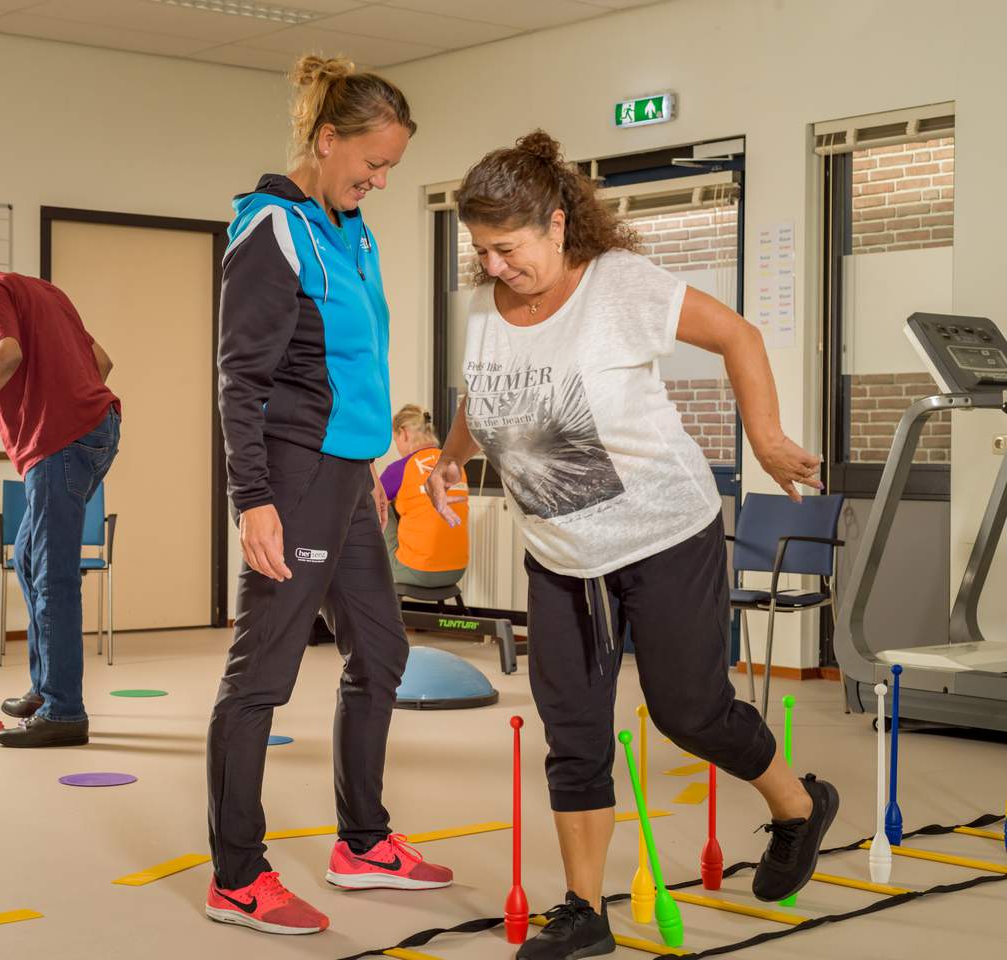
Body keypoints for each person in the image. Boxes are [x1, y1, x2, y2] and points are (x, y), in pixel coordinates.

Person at [425, 132, 838, 960]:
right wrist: (451, 455)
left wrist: (762, 435)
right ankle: (584, 910)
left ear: (554, 224)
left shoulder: (619, 285)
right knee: (571, 731)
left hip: (662, 533)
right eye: (481, 251)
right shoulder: (486, 304)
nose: (496, 266)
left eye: (508, 248)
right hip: (561, 553)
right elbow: (488, 394)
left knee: (690, 712)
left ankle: (798, 805)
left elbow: (740, 337)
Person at [208, 55, 452, 937]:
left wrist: (374, 476)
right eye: (370, 163)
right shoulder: (270, 230)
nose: (380, 180)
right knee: (261, 676)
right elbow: (240, 377)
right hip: (294, 472)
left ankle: (363, 844)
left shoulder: (351, 230)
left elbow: (358, 361)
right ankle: (237, 875)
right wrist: (254, 498)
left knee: (380, 653)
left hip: (348, 478)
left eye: (391, 166)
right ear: (326, 139)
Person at [0, 249, 120, 749]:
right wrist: (71, 400)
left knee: (52, 571)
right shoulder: (46, 292)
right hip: (94, 433)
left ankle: (64, 712)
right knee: (32, 557)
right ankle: (45, 687)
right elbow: (101, 361)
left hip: (58, 443)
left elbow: (6, 354)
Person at [379, 404, 468, 588]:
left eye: (397, 441)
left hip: (416, 570)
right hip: (458, 570)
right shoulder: (455, 464)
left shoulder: (400, 468)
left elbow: (369, 502)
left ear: (404, 433)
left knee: (378, 504)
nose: (398, 448)